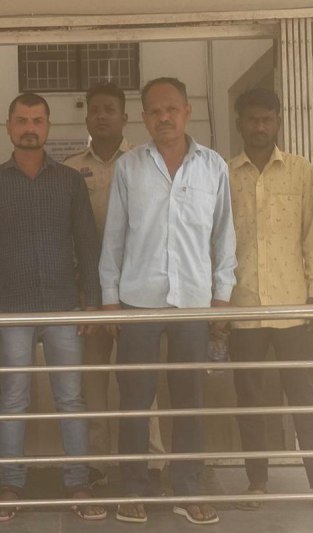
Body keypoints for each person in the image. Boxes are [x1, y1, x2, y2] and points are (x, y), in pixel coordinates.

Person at [99, 77, 236, 525]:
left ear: (187, 111)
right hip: (137, 301)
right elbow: (114, 237)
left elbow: (224, 236)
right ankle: (133, 488)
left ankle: (187, 487)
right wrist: (109, 299)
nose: (164, 118)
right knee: (134, 400)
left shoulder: (213, 166)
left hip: (193, 303)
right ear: (143, 117)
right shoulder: (129, 167)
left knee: (189, 400)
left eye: (171, 109)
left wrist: (222, 296)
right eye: (155, 111)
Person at [0, 92, 106, 522]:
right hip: (12, 309)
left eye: (38, 121)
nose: (30, 128)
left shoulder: (69, 181)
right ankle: (10, 486)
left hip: (65, 307)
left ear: (48, 127)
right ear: (9, 126)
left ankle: (78, 484)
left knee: (72, 399)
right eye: (22, 120)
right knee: (13, 399)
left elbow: (87, 243)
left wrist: (92, 300)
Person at [227, 87, 313, 514]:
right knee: (250, 400)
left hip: (293, 306)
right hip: (243, 305)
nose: (260, 127)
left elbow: (312, 233)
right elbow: (217, 243)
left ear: (278, 122)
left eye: (267, 119)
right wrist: (218, 303)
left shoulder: (301, 170)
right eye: (252, 119)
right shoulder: (224, 174)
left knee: (305, 399)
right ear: (240, 123)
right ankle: (257, 482)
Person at [63, 82, 167, 489]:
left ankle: (151, 459)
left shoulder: (147, 162)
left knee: (141, 378)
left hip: (137, 288)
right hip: (89, 291)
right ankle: (98, 461)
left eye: (110, 109)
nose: (102, 116)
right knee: (93, 379)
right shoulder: (71, 168)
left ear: (125, 118)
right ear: (87, 118)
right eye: (95, 109)